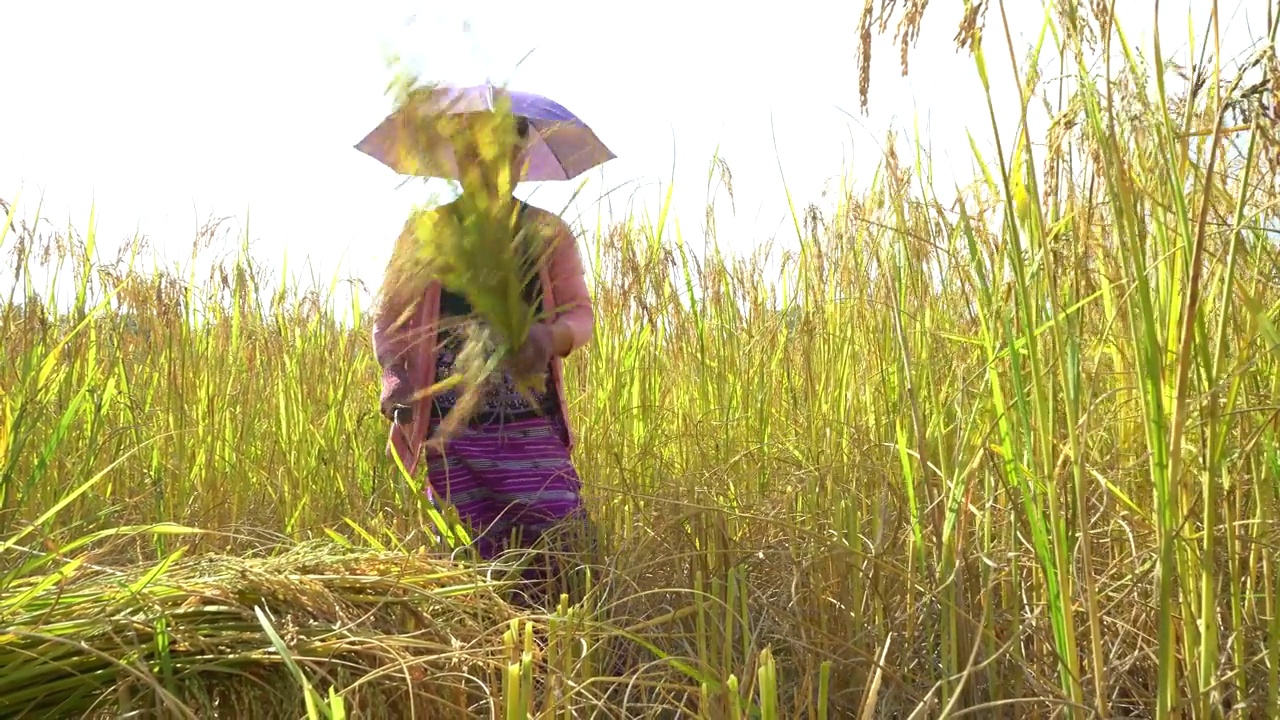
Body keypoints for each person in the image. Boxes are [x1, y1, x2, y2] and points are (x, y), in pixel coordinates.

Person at [371, 114, 594, 604]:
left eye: (503, 155)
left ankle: (558, 658)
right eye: (474, 155)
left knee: (568, 554)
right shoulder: (425, 233)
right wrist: (397, 384)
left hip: (531, 428)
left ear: (521, 159)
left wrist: (548, 335)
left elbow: (581, 315)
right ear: (457, 159)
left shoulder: (545, 232)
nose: (488, 167)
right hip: (450, 433)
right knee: (468, 573)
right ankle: (489, 664)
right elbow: (390, 323)